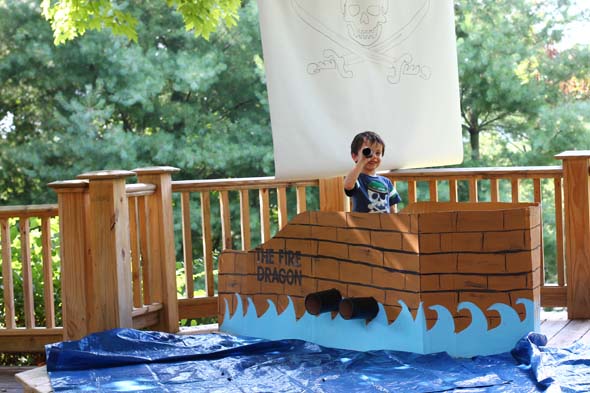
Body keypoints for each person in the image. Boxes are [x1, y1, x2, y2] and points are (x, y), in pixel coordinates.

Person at [344, 131, 401, 213]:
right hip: (362, 224)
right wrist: (362, 161)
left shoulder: (386, 182)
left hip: (384, 224)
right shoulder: (356, 179)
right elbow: (348, 185)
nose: (373, 156)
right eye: (368, 152)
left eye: (378, 153)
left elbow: (393, 209)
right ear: (355, 156)